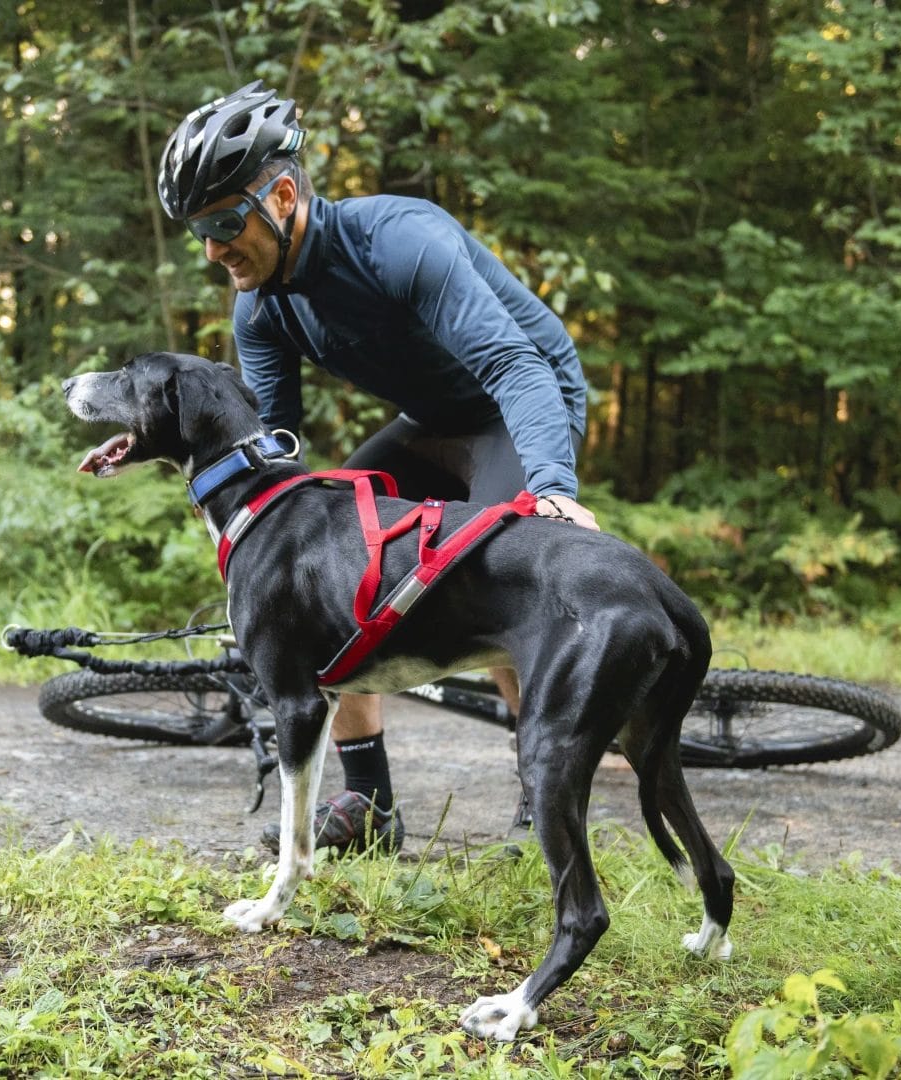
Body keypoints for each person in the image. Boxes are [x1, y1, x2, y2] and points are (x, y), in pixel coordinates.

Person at [158, 80, 598, 856]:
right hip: (432, 426)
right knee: (327, 572)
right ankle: (370, 807)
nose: (214, 250)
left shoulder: (399, 241)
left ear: (284, 195)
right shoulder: (260, 309)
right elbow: (273, 451)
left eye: (226, 223)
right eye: (200, 231)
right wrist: (253, 547)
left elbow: (515, 369)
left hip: (521, 402)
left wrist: (554, 493)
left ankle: (544, 790)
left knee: (499, 575)